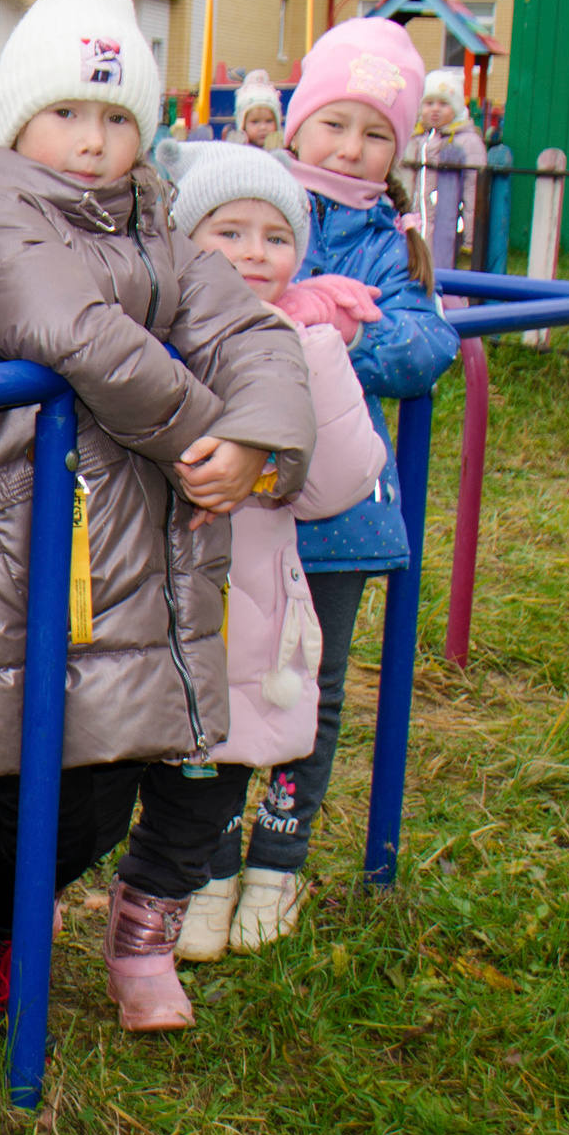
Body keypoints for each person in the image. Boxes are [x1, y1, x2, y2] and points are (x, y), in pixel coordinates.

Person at [0, 0, 315, 1043]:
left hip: (123, 550)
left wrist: (260, 435)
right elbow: (68, 332)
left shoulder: (156, 227)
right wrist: (199, 434)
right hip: (14, 536)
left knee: (102, 776)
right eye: (68, 112)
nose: (90, 140)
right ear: (18, 114)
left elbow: (254, 331)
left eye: (116, 117)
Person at [235, 16, 459, 946]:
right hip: (239, 491)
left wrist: (345, 331)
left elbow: (426, 343)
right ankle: (199, 860)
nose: (352, 147)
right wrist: (289, 305)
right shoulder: (251, 196)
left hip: (337, 510)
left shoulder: (390, 237)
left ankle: (277, 861)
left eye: (376, 132)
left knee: (310, 683)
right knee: (217, 664)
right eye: (335, 123)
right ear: (294, 121)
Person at [145, 142, 385, 963]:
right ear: (185, 239)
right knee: (190, 726)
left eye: (275, 236)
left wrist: (314, 365)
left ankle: (276, 866)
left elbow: (337, 484)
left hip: (260, 583)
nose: (255, 253)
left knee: (275, 713)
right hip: (171, 577)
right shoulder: (156, 336)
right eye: (230, 231)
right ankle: (200, 876)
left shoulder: (306, 341)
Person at [406, 67, 488, 264]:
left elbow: (473, 190)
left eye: (444, 104)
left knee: (444, 268)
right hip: (415, 223)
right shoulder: (416, 140)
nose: (435, 109)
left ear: (457, 108)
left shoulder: (468, 142)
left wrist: (470, 237)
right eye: (428, 103)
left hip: (450, 226)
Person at [226, 69, 283, 149]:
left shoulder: (282, 149)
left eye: (269, 121)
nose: (263, 127)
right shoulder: (237, 149)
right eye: (255, 122)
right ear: (243, 125)